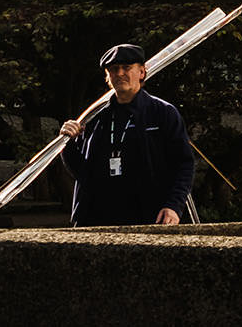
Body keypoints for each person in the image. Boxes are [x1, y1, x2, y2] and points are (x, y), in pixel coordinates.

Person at [56, 42, 194, 226]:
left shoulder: (162, 112)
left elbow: (184, 164)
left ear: (142, 72)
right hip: (99, 218)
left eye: (127, 68)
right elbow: (82, 171)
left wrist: (174, 206)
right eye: (113, 69)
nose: (120, 73)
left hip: (149, 216)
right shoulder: (95, 117)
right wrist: (68, 143)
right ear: (108, 77)